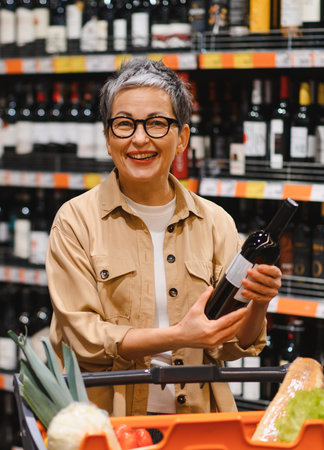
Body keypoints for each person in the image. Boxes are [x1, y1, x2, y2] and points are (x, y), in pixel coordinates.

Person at [46, 56, 282, 417]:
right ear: (108, 139)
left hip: (197, 423)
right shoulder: (76, 221)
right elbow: (85, 340)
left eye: (156, 124)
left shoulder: (215, 222)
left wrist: (259, 301)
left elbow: (232, 346)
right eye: (124, 124)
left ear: (182, 137)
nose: (139, 139)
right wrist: (181, 335)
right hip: (109, 424)